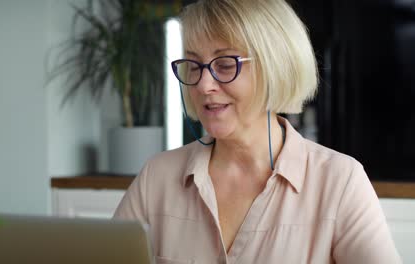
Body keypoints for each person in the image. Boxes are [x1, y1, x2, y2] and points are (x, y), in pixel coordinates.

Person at [114, 0, 402, 263]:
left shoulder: (340, 182)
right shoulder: (157, 177)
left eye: (225, 65)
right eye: (193, 66)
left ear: (274, 67)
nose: (203, 86)